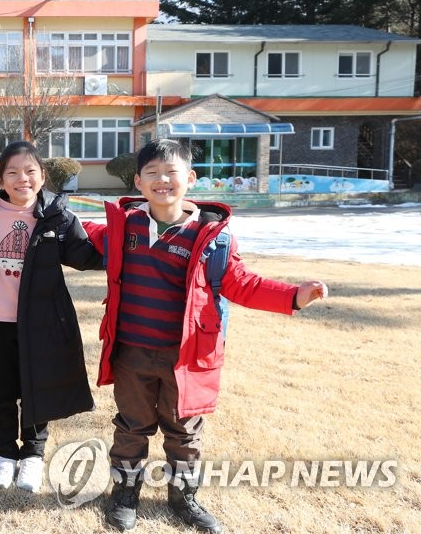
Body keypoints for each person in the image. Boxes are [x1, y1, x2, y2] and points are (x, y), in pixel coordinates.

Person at [84, 138, 328, 533]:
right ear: (138, 181)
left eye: (172, 172)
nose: (163, 180)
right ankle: (125, 493)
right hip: (132, 351)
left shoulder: (211, 236)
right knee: (132, 426)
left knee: (185, 432)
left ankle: (184, 498)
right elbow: (74, 232)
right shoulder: (123, 226)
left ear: (190, 178)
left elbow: (242, 283)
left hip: (188, 357)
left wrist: (294, 297)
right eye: (153, 173)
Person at [0, 141, 102, 493]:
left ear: (42, 175)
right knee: (4, 394)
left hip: (41, 324)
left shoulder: (57, 217)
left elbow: (85, 255)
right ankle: (5, 456)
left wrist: (125, 239)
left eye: (30, 171)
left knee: (35, 391)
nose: (21, 178)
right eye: (12, 172)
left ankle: (33, 458)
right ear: (1, 177)